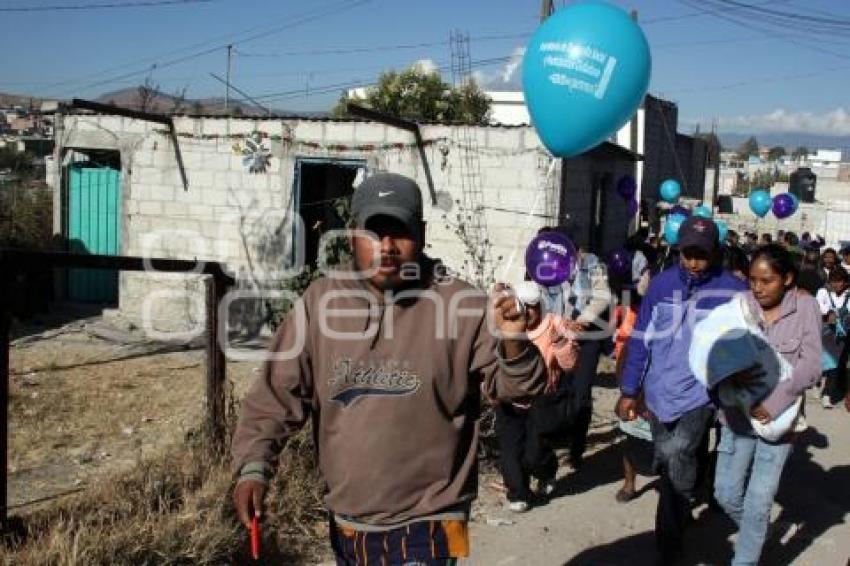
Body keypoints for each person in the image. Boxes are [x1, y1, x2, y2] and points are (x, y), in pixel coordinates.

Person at [230, 173, 546, 565]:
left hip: (429, 519)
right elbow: (276, 396)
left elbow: (520, 392)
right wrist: (255, 467)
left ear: (423, 235)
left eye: (400, 232)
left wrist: (514, 342)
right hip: (347, 520)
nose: (387, 247)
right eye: (374, 232)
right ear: (351, 234)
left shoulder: (461, 305)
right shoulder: (320, 303)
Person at [616, 216, 748, 564]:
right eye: (688, 253)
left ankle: (669, 543)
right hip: (659, 391)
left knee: (676, 455)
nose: (694, 262)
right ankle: (684, 499)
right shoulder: (660, 285)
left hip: (700, 395)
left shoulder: (732, 292)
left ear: (715, 254)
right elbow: (640, 340)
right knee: (673, 459)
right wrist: (629, 388)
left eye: (701, 255)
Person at [713, 245, 821, 566]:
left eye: (767, 280)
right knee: (726, 492)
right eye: (752, 280)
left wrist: (772, 402)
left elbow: (812, 365)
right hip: (737, 416)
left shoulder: (806, 307)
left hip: (779, 421)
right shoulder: (740, 305)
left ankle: (745, 558)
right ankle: (758, 531)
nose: (757, 288)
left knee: (759, 501)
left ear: (787, 278)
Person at [494, 282, 580, 512]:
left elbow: (570, 364)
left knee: (534, 453)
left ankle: (546, 472)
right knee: (511, 451)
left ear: (539, 305)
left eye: (531, 307)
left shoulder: (554, 325)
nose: (527, 313)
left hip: (541, 401)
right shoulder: (505, 325)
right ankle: (518, 492)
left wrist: (560, 343)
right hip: (509, 401)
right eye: (522, 307)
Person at [539, 236, 611, 469]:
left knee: (580, 393)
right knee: (557, 388)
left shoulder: (592, 264)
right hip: (557, 334)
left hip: (586, 337)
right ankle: (555, 440)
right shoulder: (545, 263)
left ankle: (576, 448)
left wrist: (581, 321)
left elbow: (602, 296)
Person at [815, 267, 850, 409]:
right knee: (822, 362)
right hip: (824, 332)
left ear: (845, 283)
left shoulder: (848, 295)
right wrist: (828, 312)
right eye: (834, 281)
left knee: (835, 364)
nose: (837, 285)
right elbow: (818, 305)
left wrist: (839, 315)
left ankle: (827, 395)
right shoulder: (823, 292)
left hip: (841, 335)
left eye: (840, 282)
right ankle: (818, 381)